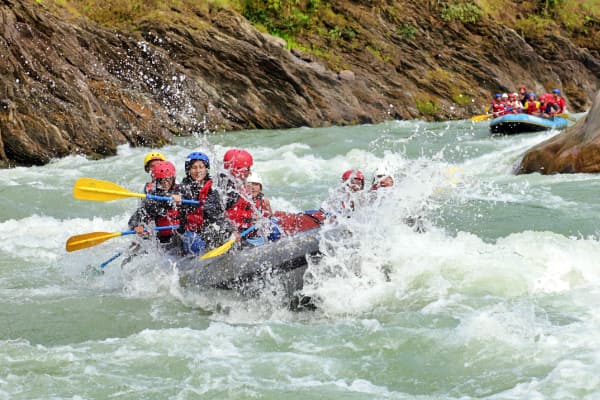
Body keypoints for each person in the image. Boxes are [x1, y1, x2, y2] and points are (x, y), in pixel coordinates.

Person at [174, 152, 238, 255]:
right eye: (194, 167)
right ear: (188, 170)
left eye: (201, 167)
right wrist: (176, 197)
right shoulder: (183, 187)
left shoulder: (214, 185)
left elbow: (217, 209)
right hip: (191, 232)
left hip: (208, 227)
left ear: (206, 169)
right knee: (195, 244)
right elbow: (176, 194)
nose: (198, 171)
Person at [128, 160, 180, 248]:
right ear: (156, 181)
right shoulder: (152, 199)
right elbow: (134, 219)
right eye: (161, 180)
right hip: (162, 240)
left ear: (173, 179)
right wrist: (136, 226)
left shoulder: (181, 190)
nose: (165, 183)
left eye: (168, 179)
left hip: (180, 235)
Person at [219, 149, 255, 233]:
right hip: (231, 232)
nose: (250, 173)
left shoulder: (238, 184)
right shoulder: (228, 190)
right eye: (248, 169)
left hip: (243, 228)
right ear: (238, 169)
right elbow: (219, 214)